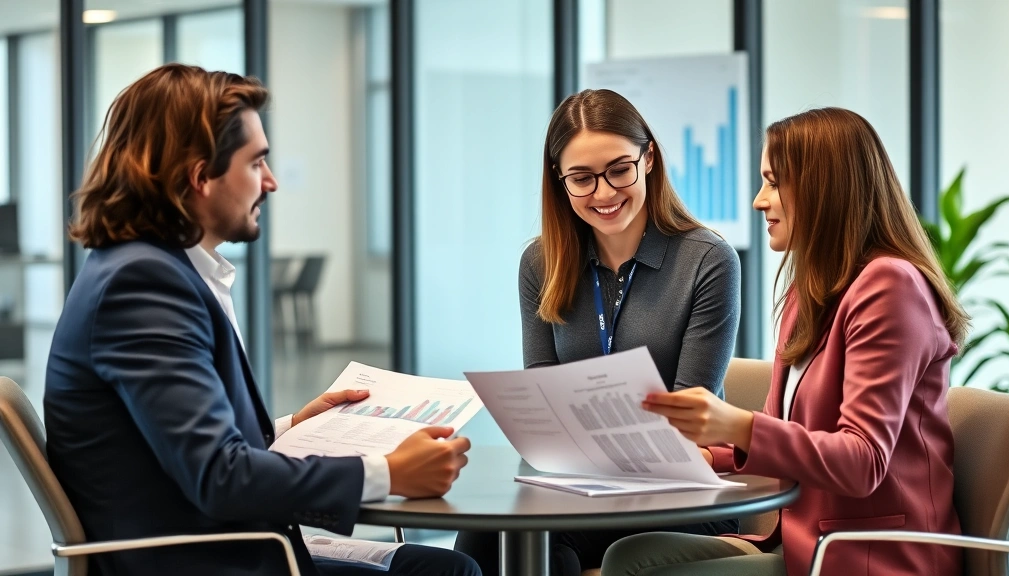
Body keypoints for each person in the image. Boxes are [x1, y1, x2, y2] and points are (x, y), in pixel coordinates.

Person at [44, 63, 480, 576]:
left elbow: (169, 445)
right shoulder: (142, 284)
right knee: (449, 571)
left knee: (438, 566)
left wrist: (290, 427)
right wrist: (389, 474)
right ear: (199, 174)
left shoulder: (148, 267)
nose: (271, 182)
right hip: (205, 559)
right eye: (256, 163)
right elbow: (219, 478)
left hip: (217, 542)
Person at [601, 107, 966, 576]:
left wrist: (737, 425)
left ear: (824, 188)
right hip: (803, 540)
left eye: (773, 182)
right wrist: (706, 455)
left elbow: (863, 460)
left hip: (871, 555)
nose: (759, 201)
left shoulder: (890, 287)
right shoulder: (810, 290)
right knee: (627, 558)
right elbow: (788, 427)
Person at [454, 89, 741, 576]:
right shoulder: (540, 263)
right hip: (578, 481)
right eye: (582, 179)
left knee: (540, 541)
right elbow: (542, 387)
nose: (604, 194)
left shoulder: (707, 261)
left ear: (648, 159)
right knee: (485, 532)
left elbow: (688, 409)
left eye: (618, 170)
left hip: (675, 493)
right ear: (560, 182)